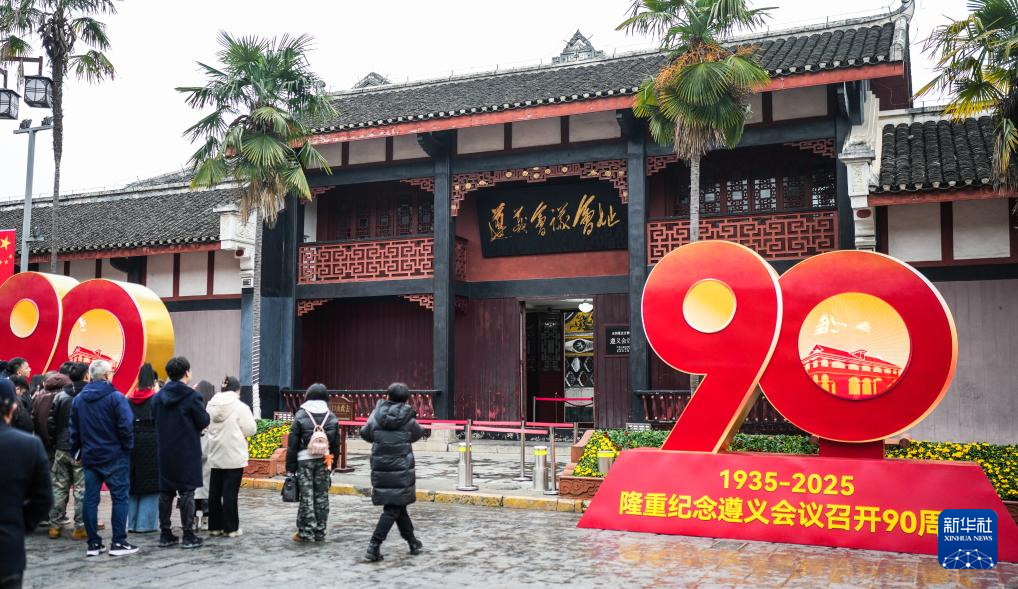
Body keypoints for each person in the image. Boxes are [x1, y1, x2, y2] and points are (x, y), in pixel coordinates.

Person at [68, 360, 138, 558]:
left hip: (90, 456)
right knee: (120, 497)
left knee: (90, 499)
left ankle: (93, 544)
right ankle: (118, 541)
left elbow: (74, 429)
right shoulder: (116, 397)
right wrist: (127, 447)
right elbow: (126, 426)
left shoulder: (79, 400)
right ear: (107, 375)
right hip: (115, 455)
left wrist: (77, 451)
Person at [360, 382, 425, 562]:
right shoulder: (408, 417)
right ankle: (374, 545)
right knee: (393, 508)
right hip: (401, 468)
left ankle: (412, 542)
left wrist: (380, 439)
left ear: (387, 396)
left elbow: (365, 433)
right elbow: (418, 433)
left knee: (398, 506)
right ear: (406, 399)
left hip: (381, 466)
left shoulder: (376, 415)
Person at [0, 378, 53, 589]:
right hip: (7, 550)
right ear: (13, 406)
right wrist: (18, 524)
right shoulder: (27, 445)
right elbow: (43, 500)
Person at [153, 357, 209, 549]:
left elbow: (154, 419)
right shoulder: (192, 396)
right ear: (186, 373)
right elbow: (203, 420)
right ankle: (188, 534)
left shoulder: (158, 397)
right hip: (187, 450)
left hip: (164, 450)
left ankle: (165, 534)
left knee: (165, 493)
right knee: (187, 493)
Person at [285, 383, 339, 543]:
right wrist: (333, 465)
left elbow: (292, 444)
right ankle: (320, 531)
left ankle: (305, 532)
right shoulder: (331, 416)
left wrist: (291, 467)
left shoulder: (301, 415)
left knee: (306, 496)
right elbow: (336, 445)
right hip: (324, 459)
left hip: (304, 460)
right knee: (322, 496)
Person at [205, 376, 256, 538]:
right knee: (230, 494)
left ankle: (215, 527)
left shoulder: (210, 405)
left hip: (215, 453)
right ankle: (231, 528)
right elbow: (250, 429)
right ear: (237, 390)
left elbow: (206, 425)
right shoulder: (240, 407)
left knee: (214, 492)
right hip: (234, 454)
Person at [46, 364, 88, 540]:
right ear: (86, 375)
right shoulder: (88, 395)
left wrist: (55, 442)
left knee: (59, 487)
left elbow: (51, 422)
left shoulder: (61, 395)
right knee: (81, 489)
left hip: (62, 447)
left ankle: (54, 526)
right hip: (82, 448)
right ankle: (80, 527)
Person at [126, 364, 160, 534]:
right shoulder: (156, 399)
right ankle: (146, 524)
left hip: (133, 442)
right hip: (152, 443)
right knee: (151, 484)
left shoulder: (128, 399)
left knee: (133, 483)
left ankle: (131, 523)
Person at [192, 380, 215, 529]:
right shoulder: (213, 411)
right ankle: (206, 520)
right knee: (206, 489)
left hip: (193, 453)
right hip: (209, 454)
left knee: (193, 490)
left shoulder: (192, 408)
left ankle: (193, 520)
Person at [33, 373, 68, 457]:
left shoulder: (39, 396)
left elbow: (33, 418)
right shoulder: (64, 398)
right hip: (60, 445)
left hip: (42, 442)